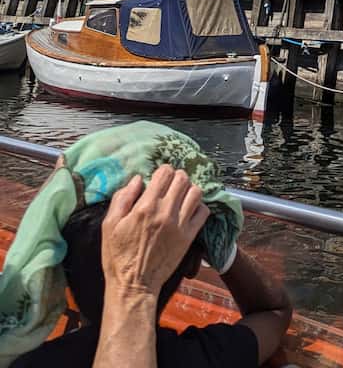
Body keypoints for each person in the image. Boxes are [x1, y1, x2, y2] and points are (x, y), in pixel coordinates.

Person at [0, 123, 291, 368]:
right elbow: (273, 311)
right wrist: (216, 244)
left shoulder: (22, 359)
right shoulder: (205, 358)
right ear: (193, 262)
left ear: (60, 255)